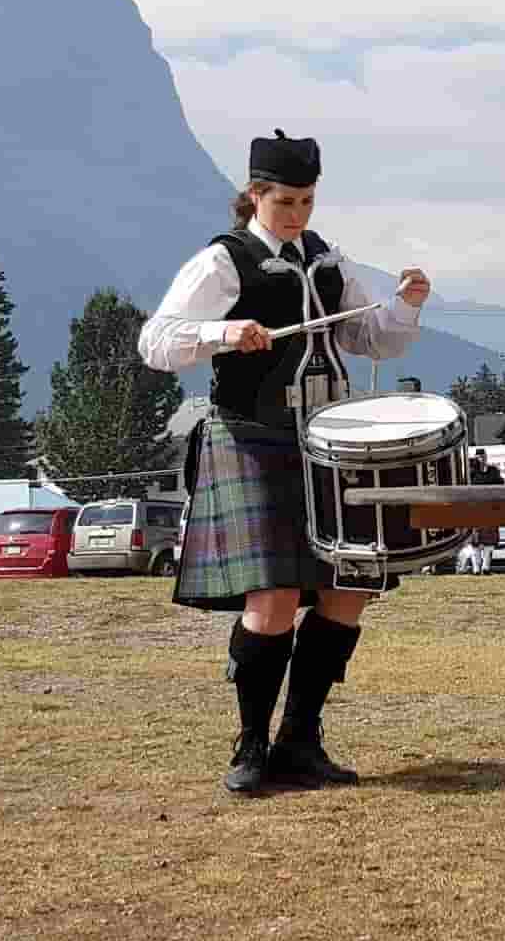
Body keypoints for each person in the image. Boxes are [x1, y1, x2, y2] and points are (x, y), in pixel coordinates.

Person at [138, 129, 431, 795]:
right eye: (285, 201)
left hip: (329, 444)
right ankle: (250, 745)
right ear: (254, 195)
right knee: (270, 600)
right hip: (253, 438)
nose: (297, 214)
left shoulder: (328, 261)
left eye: (306, 200)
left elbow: (367, 334)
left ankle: (301, 739)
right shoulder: (224, 262)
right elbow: (155, 340)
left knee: (348, 588)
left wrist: (406, 305)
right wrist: (222, 333)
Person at [466, 449, 505, 575]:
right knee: (475, 542)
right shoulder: (470, 473)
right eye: (479, 457)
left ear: (486, 457)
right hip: (475, 510)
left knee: (490, 541)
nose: (481, 459)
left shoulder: (493, 471)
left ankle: (486, 567)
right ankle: (476, 568)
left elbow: (501, 484)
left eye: (483, 457)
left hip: (490, 509)